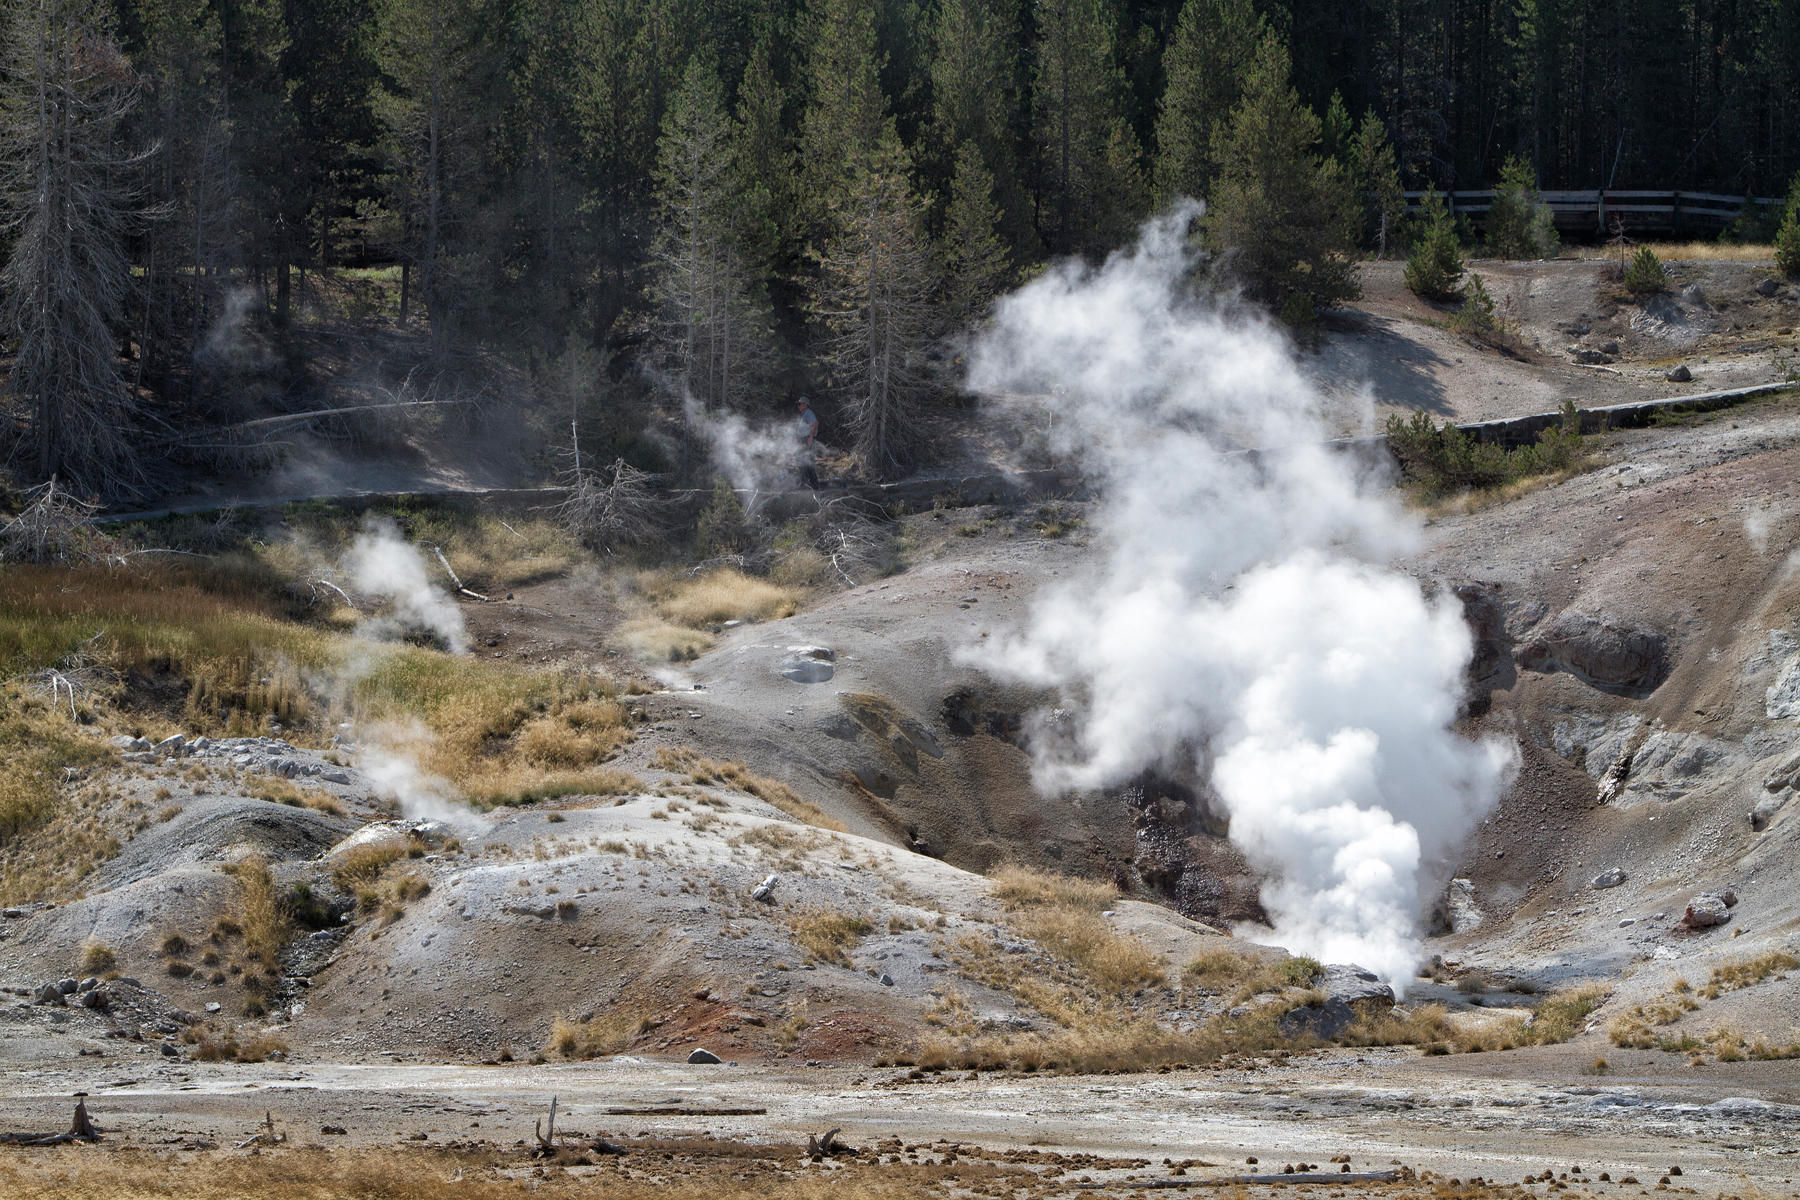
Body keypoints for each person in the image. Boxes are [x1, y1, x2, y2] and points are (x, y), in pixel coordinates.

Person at [794, 396, 820, 488]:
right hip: (804, 440)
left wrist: (810, 437)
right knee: (806, 461)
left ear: (805, 405)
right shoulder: (804, 414)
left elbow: (815, 423)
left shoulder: (809, 413)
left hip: (807, 440)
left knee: (803, 460)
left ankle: (805, 483)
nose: (798, 406)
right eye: (798, 404)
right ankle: (812, 484)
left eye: (800, 404)